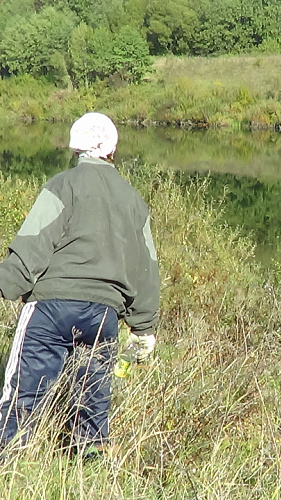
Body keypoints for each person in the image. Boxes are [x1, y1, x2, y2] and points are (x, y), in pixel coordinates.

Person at [0, 112, 160, 457]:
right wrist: (144, 327)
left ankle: (11, 462)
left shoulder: (62, 185)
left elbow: (32, 248)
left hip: (49, 310)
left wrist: (7, 284)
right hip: (103, 318)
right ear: (112, 151)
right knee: (92, 405)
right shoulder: (134, 200)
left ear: (75, 148)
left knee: (22, 398)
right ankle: (89, 464)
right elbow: (146, 268)